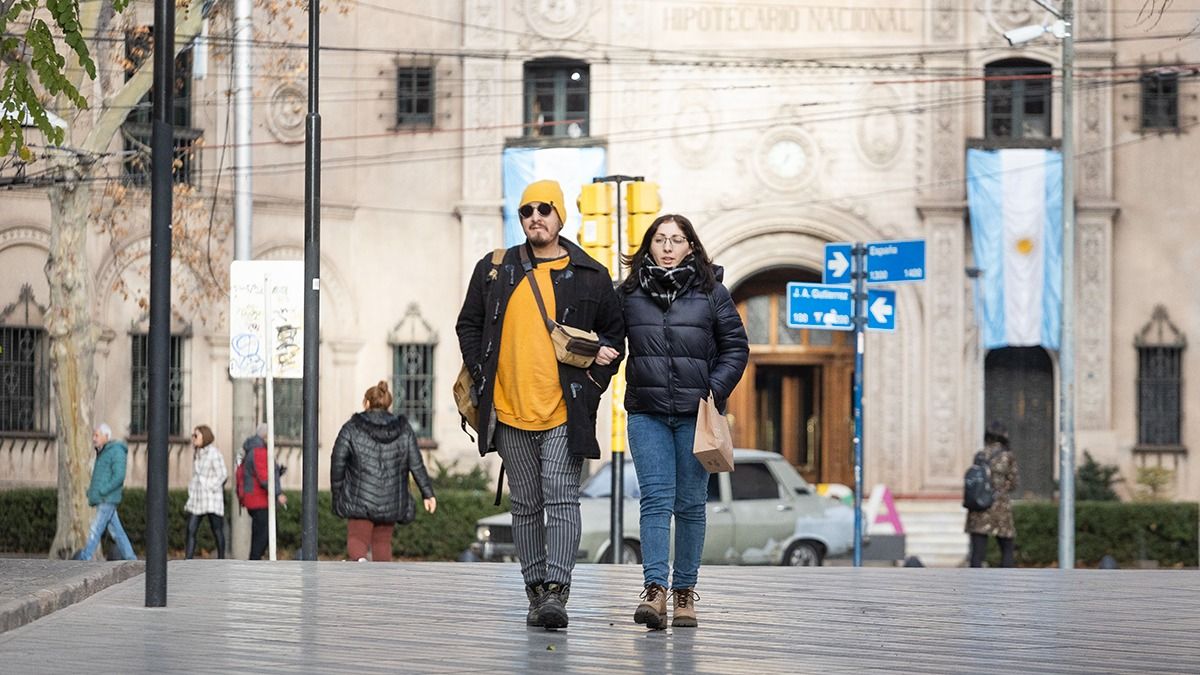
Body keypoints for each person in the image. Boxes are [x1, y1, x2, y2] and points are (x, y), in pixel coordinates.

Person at [455, 178, 625, 629]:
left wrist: (594, 381)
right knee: (526, 504)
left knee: (562, 497)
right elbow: (468, 324)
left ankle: (557, 592)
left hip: (564, 410)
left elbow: (615, 336)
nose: (535, 218)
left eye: (543, 210)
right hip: (508, 409)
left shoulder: (590, 273)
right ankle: (535, 591)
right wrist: (480, 371)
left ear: (559, 215)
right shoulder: (495, 269)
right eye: (527, 211)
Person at [619, 214, 748, 629]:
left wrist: (713, 388)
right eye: (661, 239)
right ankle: (655, 591)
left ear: (691, 246)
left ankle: (684, 594)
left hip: (698, 416)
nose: (669, 247)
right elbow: (606, 337)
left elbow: (736, 348)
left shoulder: (713, 294)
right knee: (656, 500)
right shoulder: (629, 293)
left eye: (677, 239)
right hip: (646, 412)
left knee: (690, 505)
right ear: (649, 246)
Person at [330, 380, 437, 562]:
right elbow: (416, 463)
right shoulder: (404, 429)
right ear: (389, 403)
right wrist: (428, 494)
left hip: (359, 497)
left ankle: (360, 565)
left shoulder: (351, 428)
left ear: (367, 402)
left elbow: (337, 461)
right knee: (382, 542)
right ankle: (382, 582)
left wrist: (338, 491)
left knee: (357, 538)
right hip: (391, 497)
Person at [75, 423, 137, 561]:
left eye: (97, 435)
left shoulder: (116, 451)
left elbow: (119, 476)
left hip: (107, 499)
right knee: (117, 532)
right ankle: (131, 558)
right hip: (104, 498)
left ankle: (85, 557)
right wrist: (92, 492)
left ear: (106, 436)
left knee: (95, 529)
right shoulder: (105, 451)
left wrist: (103, 490)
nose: (94, 438)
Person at [966, 420, 1019, 568]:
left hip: (979, 505)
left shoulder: (980, 455)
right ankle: (1004, 582)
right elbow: (1014, 482)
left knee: (977, 552)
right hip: (999, 506)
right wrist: (1001, 488)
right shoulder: (1007, 456)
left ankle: (974, 584)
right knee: (1007, 547)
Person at [240, 422, 287, 560]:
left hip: (258, 500)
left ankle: (256, 563)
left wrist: (278, 471)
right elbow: (264, 477)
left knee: (265, 535)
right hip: (259, 501)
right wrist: (278, 493)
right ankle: (254, 565)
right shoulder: (259, 451)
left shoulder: (255, 449)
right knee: (261, 538)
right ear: (266, 436)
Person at [184, 424, 228, 559]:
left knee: (217, 529)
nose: (193, 438)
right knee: (190, 529)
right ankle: (188, 559)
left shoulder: (214, 453)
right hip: (197, 499)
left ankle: (221, 558)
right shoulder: (197, 453)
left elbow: (223, 474)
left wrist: (209, 486)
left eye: (196, 435)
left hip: (211, 499)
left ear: (205, 436)